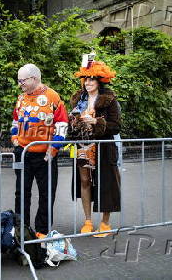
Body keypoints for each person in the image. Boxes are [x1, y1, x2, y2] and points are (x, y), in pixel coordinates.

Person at [11, 63, 68, 239]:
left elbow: (62, 125)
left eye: (22, 80)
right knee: (21, 193)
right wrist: (14, 140)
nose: (20, 84)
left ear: (34, 79)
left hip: (45, 156)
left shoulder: (52, 96)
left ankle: (42, 232)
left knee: (46, 194)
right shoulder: (21, 98)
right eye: (19, 81)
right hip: (23, 153)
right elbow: (15, 121)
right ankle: (22, 231)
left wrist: (54, 148)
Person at [69, 60, 121, 237]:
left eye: (92, 79)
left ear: (100, 81)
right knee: (84, 181)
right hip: (83, 145)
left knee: (105, 182)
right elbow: (71, 125)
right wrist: (74, 123)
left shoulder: (109, 100)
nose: (88, 82)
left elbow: (116, 126)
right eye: (85, 79)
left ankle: (105, 223)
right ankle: (88, 221)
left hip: (104, 148)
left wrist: (96, 122)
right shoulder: (78, 99)